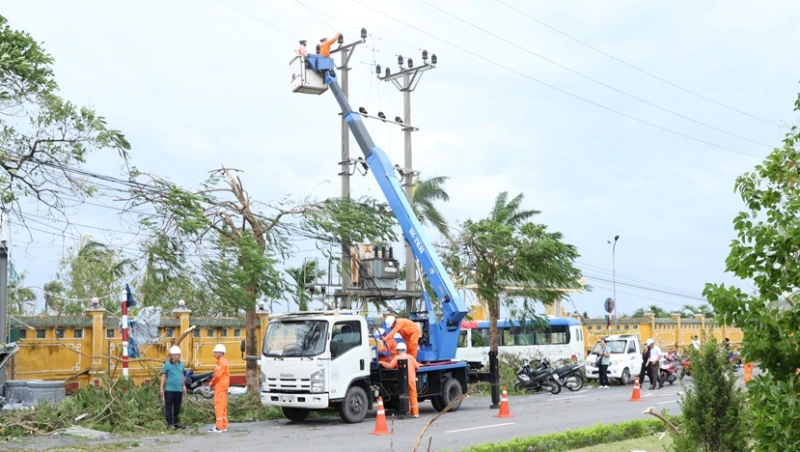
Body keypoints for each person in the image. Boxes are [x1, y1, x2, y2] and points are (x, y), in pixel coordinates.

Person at [380, 341, 420, 418]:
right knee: (413, 396)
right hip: (412, 379)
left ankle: (407, 411)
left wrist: (382, 363)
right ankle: (415, 413)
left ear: (398, 350)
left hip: (403, 381)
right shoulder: (411, 357)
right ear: (405, 349)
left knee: (405, 395)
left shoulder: (397, 358)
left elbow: (390, 366)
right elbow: (417, 367)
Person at [160, 345, 187, 429]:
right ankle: (169, 424)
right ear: (171, 356)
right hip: (169, 390)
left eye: (177, 355)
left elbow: (182, 375)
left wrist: (184, 386)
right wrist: (161, 388)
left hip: (178, 390)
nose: (176, 356)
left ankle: (176, 423)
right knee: (168, 407)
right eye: (174, 355)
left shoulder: (181, 364)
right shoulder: (167, 365)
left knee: (177, 407)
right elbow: (163, 376)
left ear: (179, 355)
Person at [208, 343, 230, 433]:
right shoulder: (224, 361)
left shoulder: (220, 362)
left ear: (221, 353)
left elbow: (217, 375)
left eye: (216, 352)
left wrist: (211, 383)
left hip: (220, 387)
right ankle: (224, 425)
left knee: (218, 406)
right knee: (223, 406)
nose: (214, 354)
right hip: (224, 387)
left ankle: (219, 427)